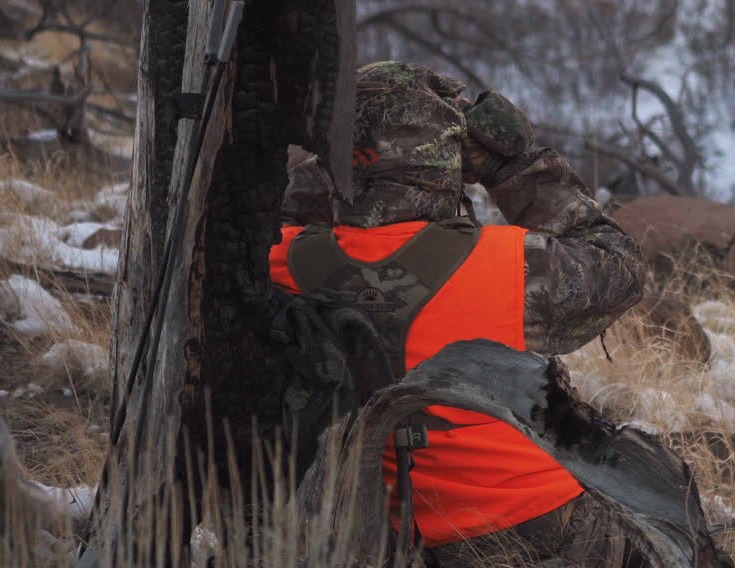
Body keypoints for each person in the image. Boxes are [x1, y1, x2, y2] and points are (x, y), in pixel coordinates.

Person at [270, 60, 646, 566]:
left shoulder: (280, 260)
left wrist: (335, 170)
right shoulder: (509, 263)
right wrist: (509, 168)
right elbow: (620, 267)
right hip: (521, 527)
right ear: (443, 161)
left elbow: (278, 216)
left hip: (357, 541)